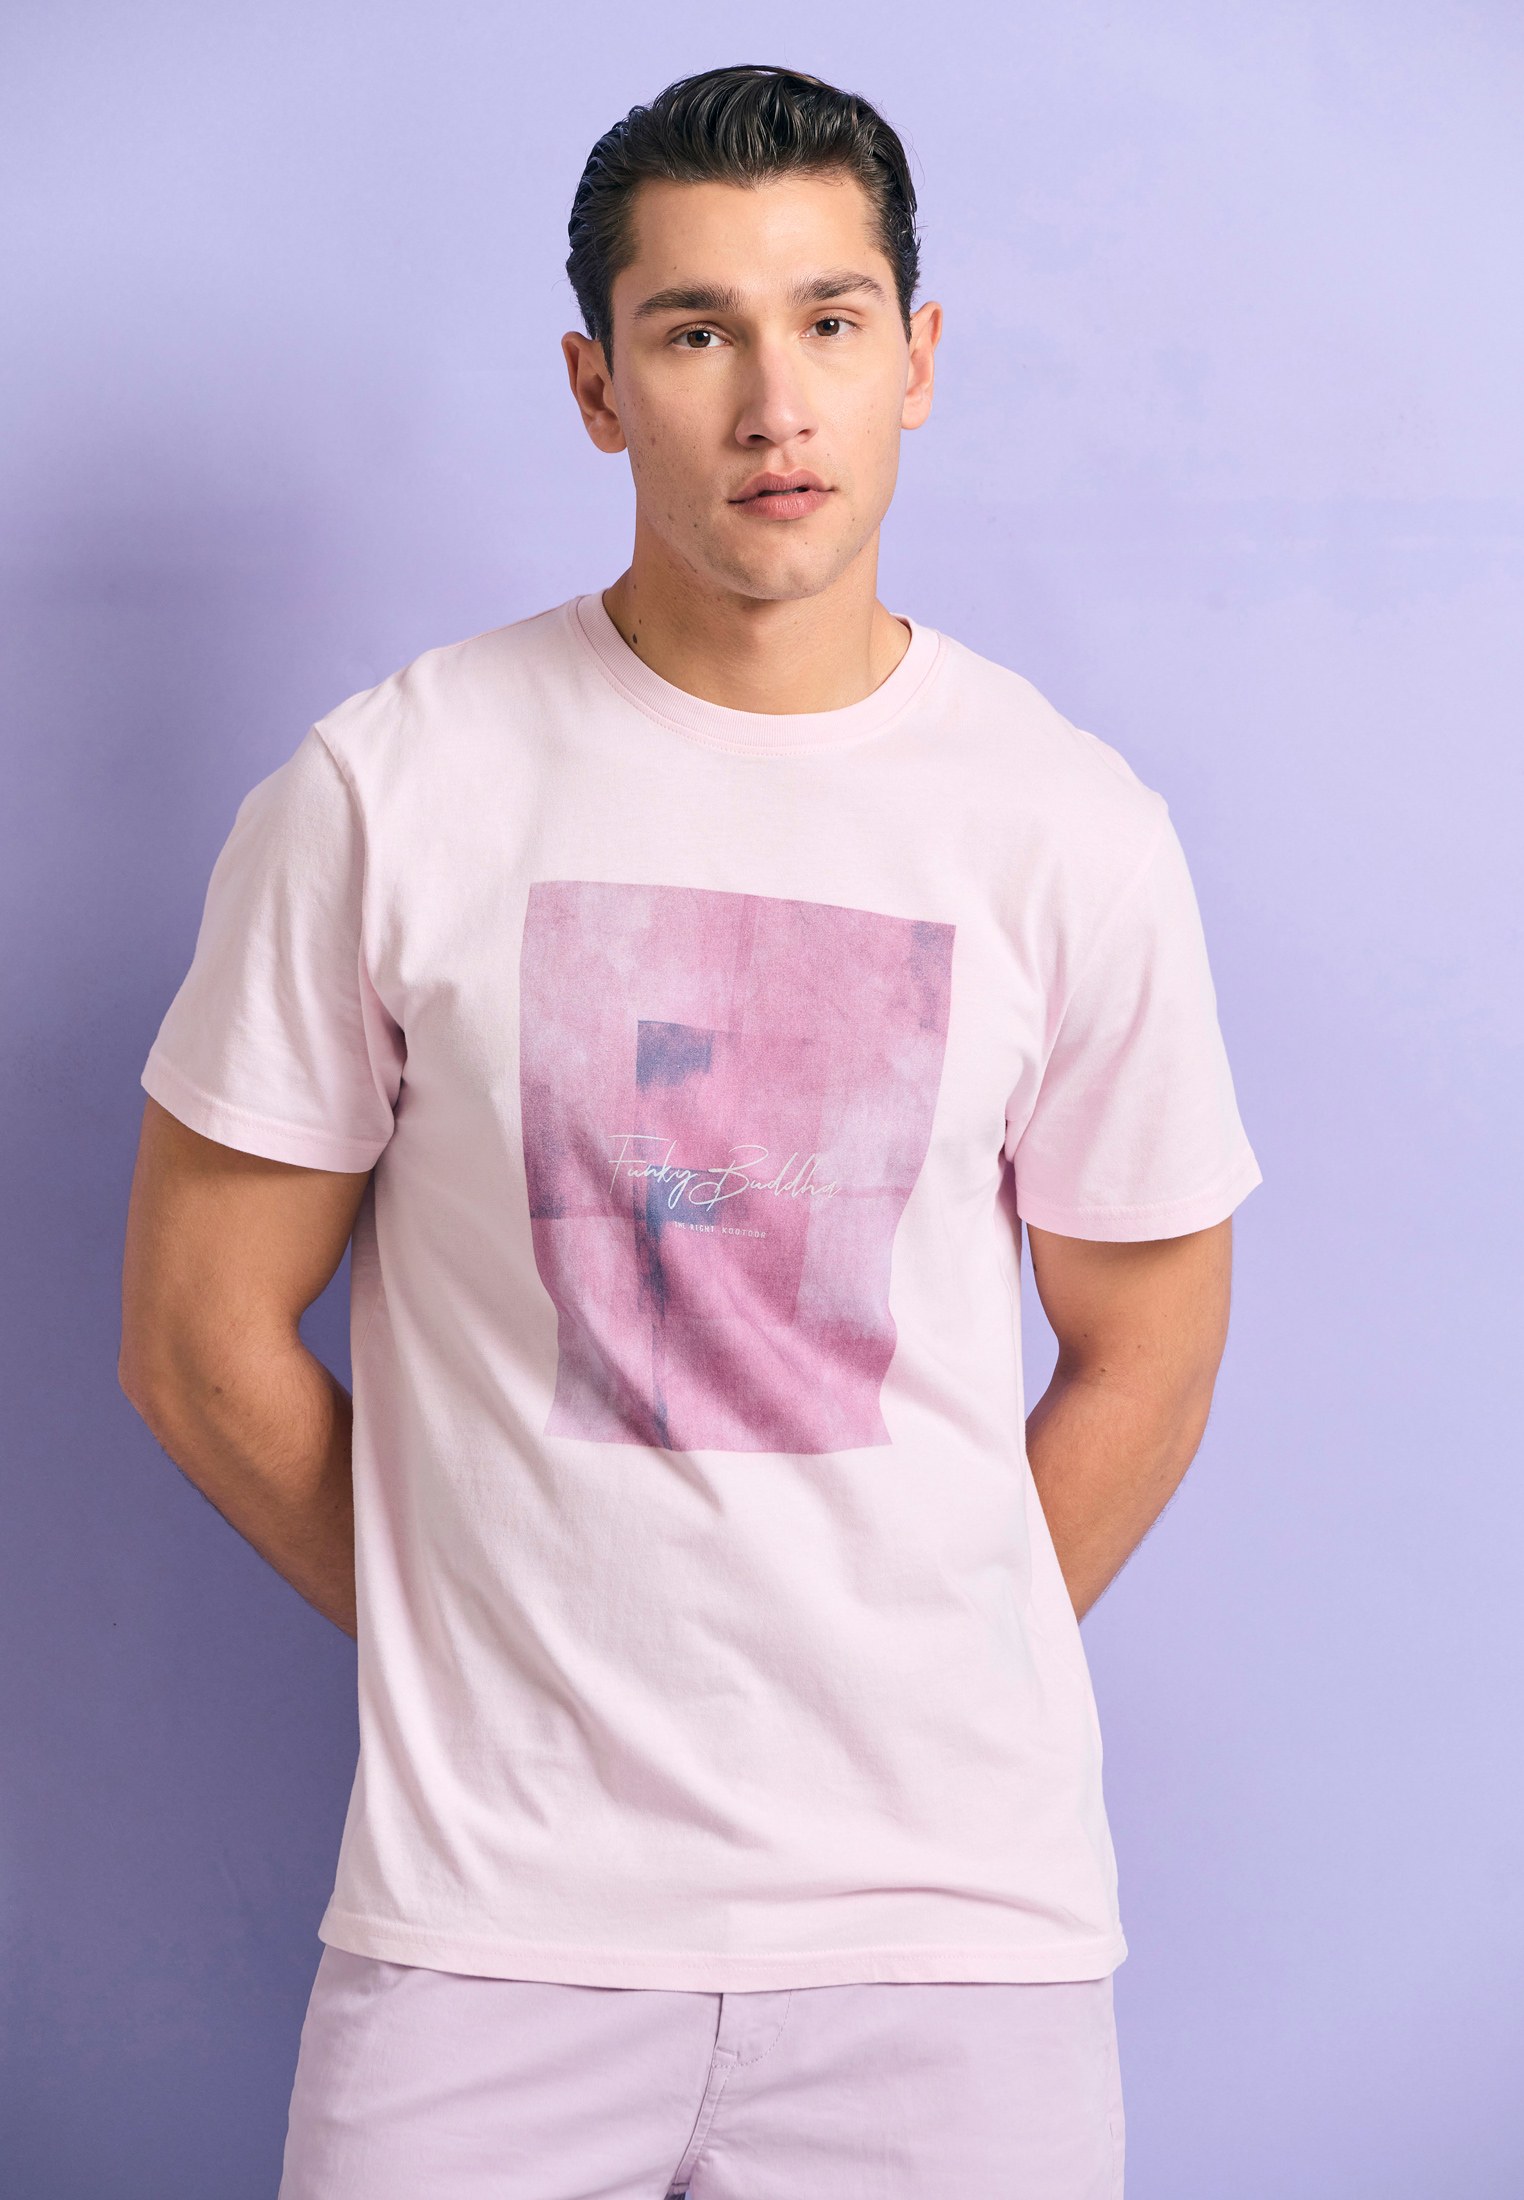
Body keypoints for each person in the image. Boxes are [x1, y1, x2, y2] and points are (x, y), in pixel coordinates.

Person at [118, 61, 1262, 2200]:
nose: (774, 403)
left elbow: (1153, 1352)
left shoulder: (1068, 828)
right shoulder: (391, 790)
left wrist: (933, 1661)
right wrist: (490, 1635)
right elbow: (198, 1337)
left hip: (954, 1943)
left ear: (919, 359)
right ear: (596, 386)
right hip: (489, 1934)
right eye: (695, 331)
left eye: (831, 320)